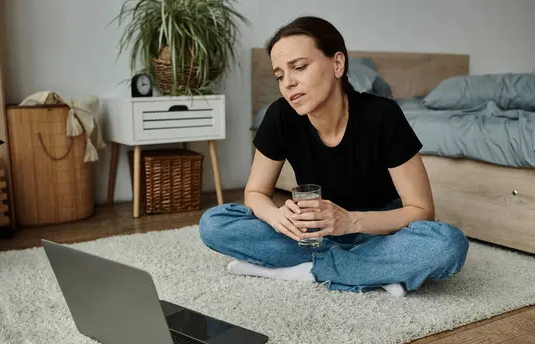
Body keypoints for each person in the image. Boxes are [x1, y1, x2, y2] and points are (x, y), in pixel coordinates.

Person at [198, 16, 469, 297]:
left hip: (377, 233)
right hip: (313, 235)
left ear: (337, 64)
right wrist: (279, 217)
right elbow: (255, 192)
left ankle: (308, 271)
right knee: (214, 223)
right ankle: (373, 271)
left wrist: (350, 222)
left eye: (299, 67)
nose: (288, 83)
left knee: (447, 244)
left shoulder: (383, 115)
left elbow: (421, 210)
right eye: (279, 75)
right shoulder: (279, 115)